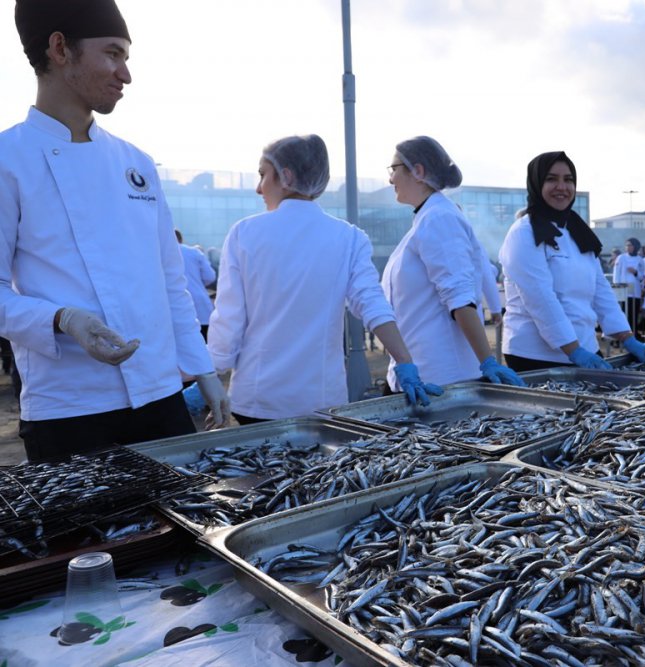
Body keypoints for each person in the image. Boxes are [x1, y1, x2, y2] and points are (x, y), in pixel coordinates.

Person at [0, 0, 229, 462]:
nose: (126, 74)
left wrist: (202, 372)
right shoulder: (9, 160)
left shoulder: (136, 163)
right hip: (69, 410)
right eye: (113, 53)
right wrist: (61, 319)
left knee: (181, 532)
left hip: (161, 396)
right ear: (60, 49)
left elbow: (170, 283)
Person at [209, 135, 440, 424]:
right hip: (321, 400)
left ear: (286, 176)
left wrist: (211, 374)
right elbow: (373, 306)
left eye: (262, 175)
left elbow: (228, 320)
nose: (258, 188)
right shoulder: (349, 238)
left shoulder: (244, 234)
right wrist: (405, 363)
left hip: (258, 399)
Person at [499, 151, 645, 372]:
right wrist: (573, 351)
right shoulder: (523, 233)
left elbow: (600, 288)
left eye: (568, 179)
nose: (562, 187)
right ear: (535, 183)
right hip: (536, 354)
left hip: (584, 346)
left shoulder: (577, 230)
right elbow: (539, 298)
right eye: (551, 179)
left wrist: (627, 337)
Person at [383, 136, 523, 390]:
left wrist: (488, 361)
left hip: (444, 378)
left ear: (418, 171)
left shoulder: (439, 218)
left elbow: (460, 297)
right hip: (424, 373)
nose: (390, 178)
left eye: (393, 169)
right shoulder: (427, 217)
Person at [175, 229, 216, 340]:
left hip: (174, 310)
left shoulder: (158, 253)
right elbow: (210, 276)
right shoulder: (194, 252)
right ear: (181, 239)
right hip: (200, 306)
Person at [613, 237, 645, 332]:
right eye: (626, 245)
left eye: (630, 245)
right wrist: (617, 288)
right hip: (623, 292)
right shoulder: (621, 258)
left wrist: (635, 272)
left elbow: (642, 277)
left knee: (633, 315)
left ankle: (633, 334)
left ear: (636, 246)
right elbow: (616, 274)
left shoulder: (640, 260)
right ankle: (620, 337)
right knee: (623, 315)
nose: (628, 247)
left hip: (635, 293)